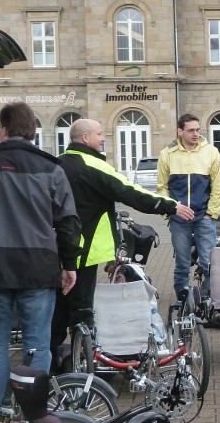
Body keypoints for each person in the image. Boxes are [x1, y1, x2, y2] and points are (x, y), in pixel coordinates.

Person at [0, 102, 81, 415]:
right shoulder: (51, 168)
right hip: (38, 267)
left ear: (3, 130)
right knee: (37, 341)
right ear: (33, 131)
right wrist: (70, 264)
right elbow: (68, 222)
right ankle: (31, 410)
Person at [50, 118, 192, 372]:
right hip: (83, 251)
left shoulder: (56, 164)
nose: (103, 138)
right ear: (85, 139)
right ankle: (79, 372)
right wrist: (171, 206)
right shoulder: (92, 164)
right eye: (100, 133)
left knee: (56, 312)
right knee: (81, 312)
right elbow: (131, 191)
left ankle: (50, 365)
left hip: (53, 251)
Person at [157, 113, 220, 300]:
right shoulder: (167, 155)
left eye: (198, 130)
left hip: (204, 217)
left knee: (209, 262)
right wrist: (170, 212)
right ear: (180, 131)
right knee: (182, 262)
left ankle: (211, 300)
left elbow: (218, 186)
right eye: (191, 130)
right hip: (179, 219)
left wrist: (211, 214)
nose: (196, 134)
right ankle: (182, 300)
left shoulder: (210, 152)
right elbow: (162, 188)